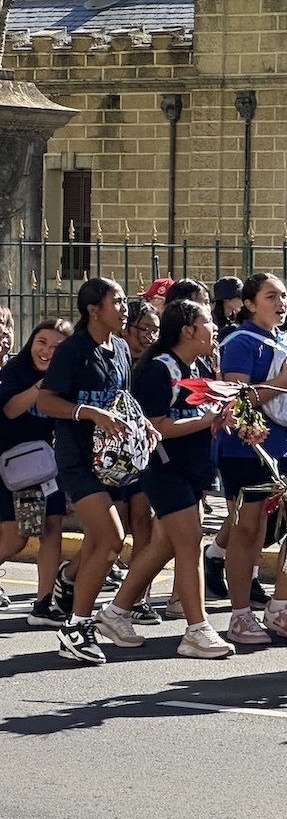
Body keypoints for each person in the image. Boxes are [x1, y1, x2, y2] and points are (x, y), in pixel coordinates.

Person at [99, 299, 234, 659]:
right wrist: (208, 420)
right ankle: (197, 629)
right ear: (188, 330)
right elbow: (156, 427)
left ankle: (115, 612)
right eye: (208, 322)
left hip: (190, 469)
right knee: (190, 542)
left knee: (163, 543)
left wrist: (221, 419)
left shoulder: (200, 365)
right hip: (163, 468)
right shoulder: (160, 370)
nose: (214, 328)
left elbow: (200, 415)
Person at [35, 278, 152, 664]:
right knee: (112, 538)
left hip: (114, 463)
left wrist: (141, 422)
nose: (124, 309)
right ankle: (77, 627)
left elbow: (124, 398)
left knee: (103, 543)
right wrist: (88, 413)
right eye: (116, 302)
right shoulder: (72, 351)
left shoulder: (119, 348)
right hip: (77, 460)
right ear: (93, 310)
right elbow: (46, 401)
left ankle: (70, 587)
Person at [215, 273, 287, 647]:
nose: (281, 302)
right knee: (247, 531)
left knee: (284, 529)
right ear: (250, 303)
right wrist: (285, 380)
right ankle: (239, 615)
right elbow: (236, 401)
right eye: (271, 296)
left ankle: (280, 605)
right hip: (246, 451)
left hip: (285, 449)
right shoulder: (240, 342)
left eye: (284, 296)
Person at [0, 319, 73, 624]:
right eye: (41, 342)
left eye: (57, 347)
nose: (45, 351)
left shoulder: (70, 376)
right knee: (16, 538)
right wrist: (42, 386)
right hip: (12, 467)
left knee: (52, 527)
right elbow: (10, 409)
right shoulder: (14, 371)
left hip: (46, 466)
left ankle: (43, 603)